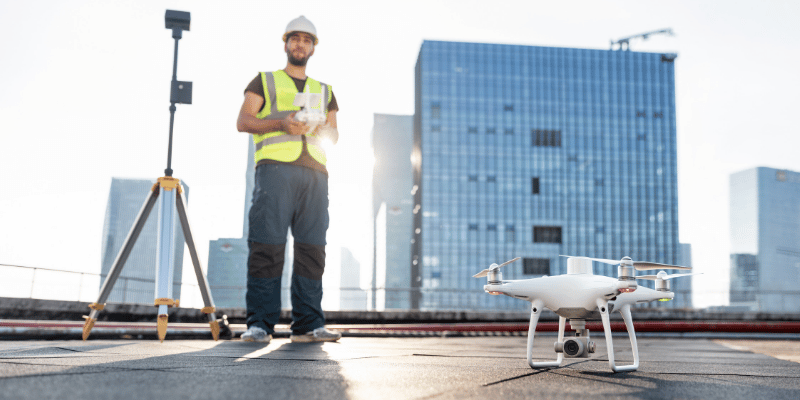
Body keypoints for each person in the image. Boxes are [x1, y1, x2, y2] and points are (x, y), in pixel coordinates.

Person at [235, 15, 341, 343]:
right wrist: (282, 124)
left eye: (307, 40)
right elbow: (244, 121)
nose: (300, 44)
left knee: (312, 248)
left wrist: (317, 126)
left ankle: (308, 325)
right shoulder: (263, 81)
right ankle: (260, 325)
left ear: (313, 48)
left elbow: (334, 135)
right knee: (268, 244)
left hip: (315, 175)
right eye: (295, 39)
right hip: (275, 172)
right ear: (286, 44)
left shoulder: (325, 91)